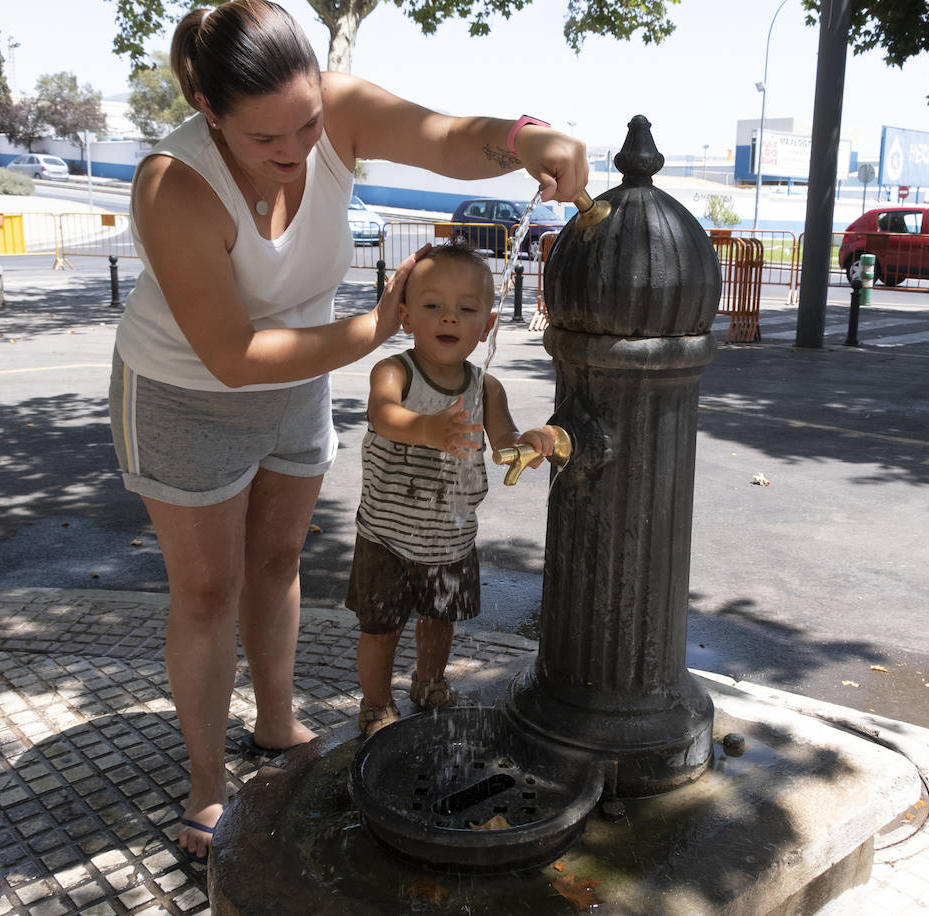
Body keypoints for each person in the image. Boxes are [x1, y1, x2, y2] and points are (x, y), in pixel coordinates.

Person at [106, 0, 587, 866]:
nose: (297, 154)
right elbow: (232, 353)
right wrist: (376, 328)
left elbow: (445, 137)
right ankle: (209, 782)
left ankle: (278, 719)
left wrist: (525, 140)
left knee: (279, 560)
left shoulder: (329, 109)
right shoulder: (172, 184)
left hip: (294, 379)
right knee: (208, 588)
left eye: (310, 126)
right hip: (187, 391)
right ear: (210, 113)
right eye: (267, 142)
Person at [346, 240, 558, 738]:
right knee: (381, 628)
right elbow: (383, 414)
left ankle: (429, 682)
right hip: (386, 535)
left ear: (486, 326)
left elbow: (503, 443)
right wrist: (428, 429)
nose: (449, 319)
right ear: (405, 317)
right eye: (433, 306)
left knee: (440, 620)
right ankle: (376, 704)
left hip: (449, 538)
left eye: (466, 309)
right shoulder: (394, 371)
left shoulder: (487, 389)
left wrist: (530, 441)